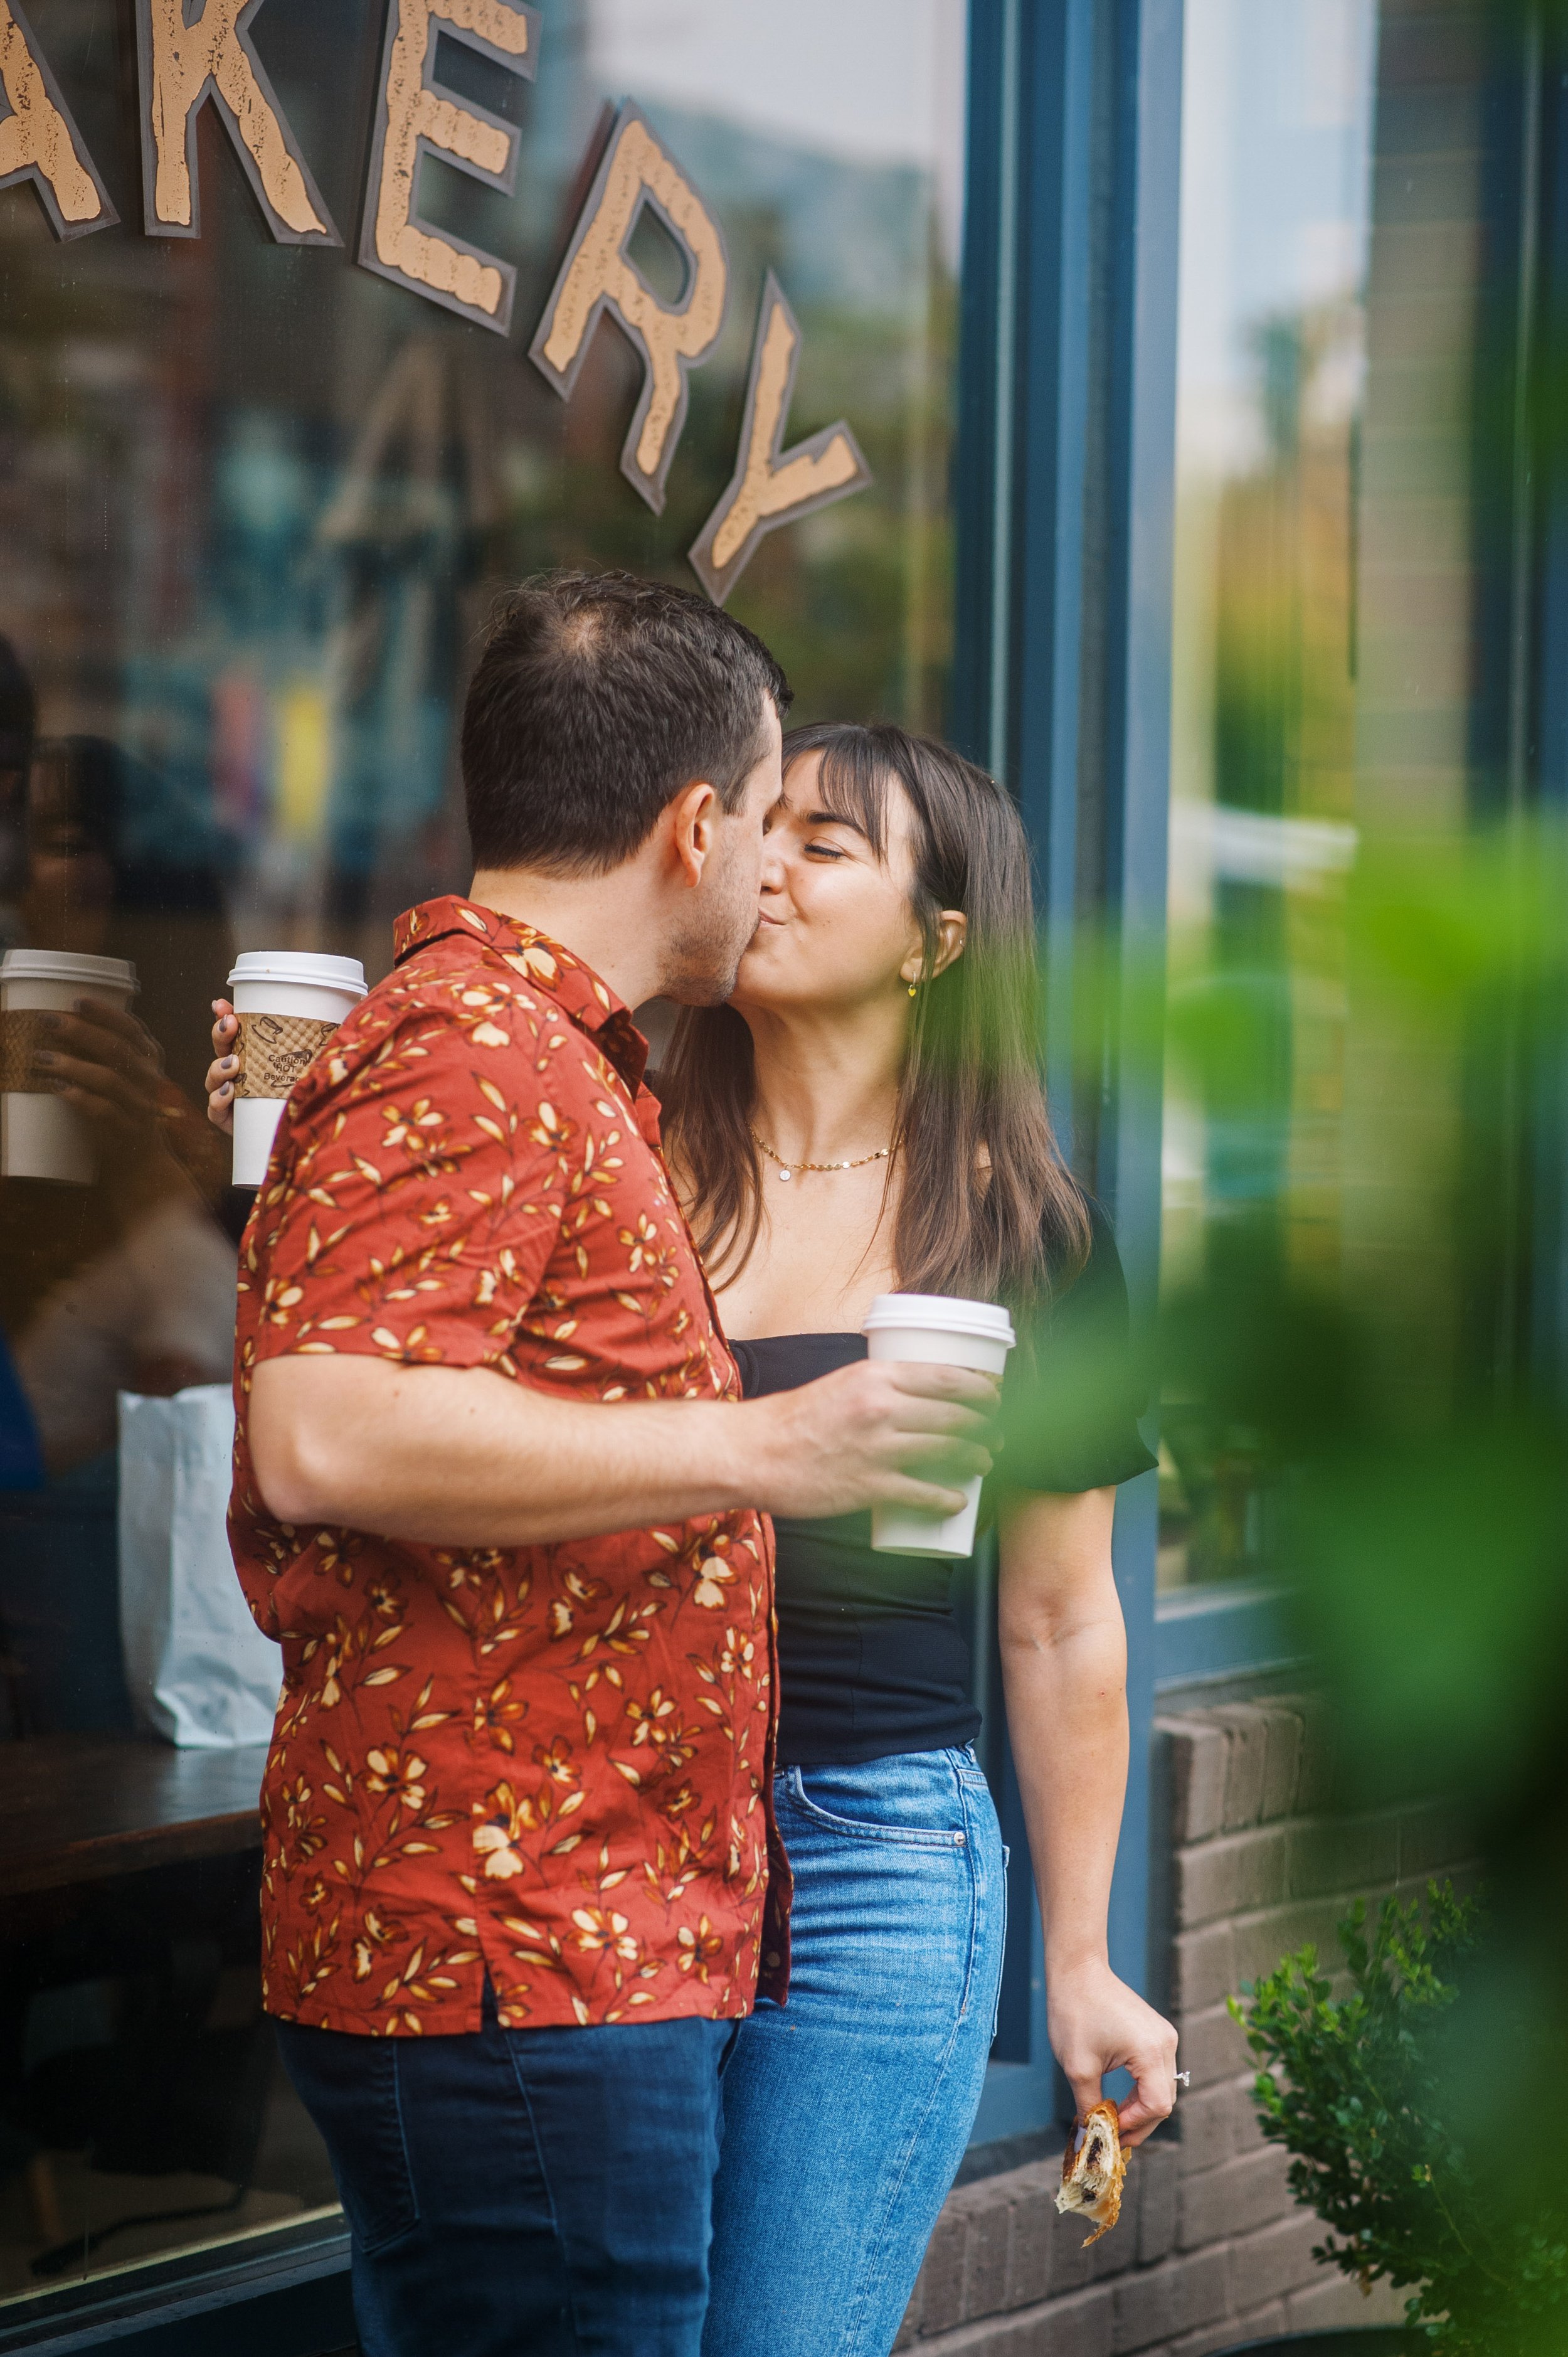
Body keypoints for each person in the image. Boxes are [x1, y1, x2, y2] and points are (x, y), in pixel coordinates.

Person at [207, 576, 1002, 2357]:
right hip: (520, 1947)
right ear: (694, 825)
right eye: (769, 820)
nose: (771, 872)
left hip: (567, 1938)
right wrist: (763, 1440)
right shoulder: (480, 1055)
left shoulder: (534, 1061)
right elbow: (327, 1429)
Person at [657, 722, 1179, 2357]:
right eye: (763, 825)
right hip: (620, 1828)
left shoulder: (1018, 1229)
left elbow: (1058, 1620)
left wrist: (1082, 1958)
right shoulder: (626, 1158)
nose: (768, 864)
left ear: (936, 942)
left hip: (876, 1854)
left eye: (826, 844)